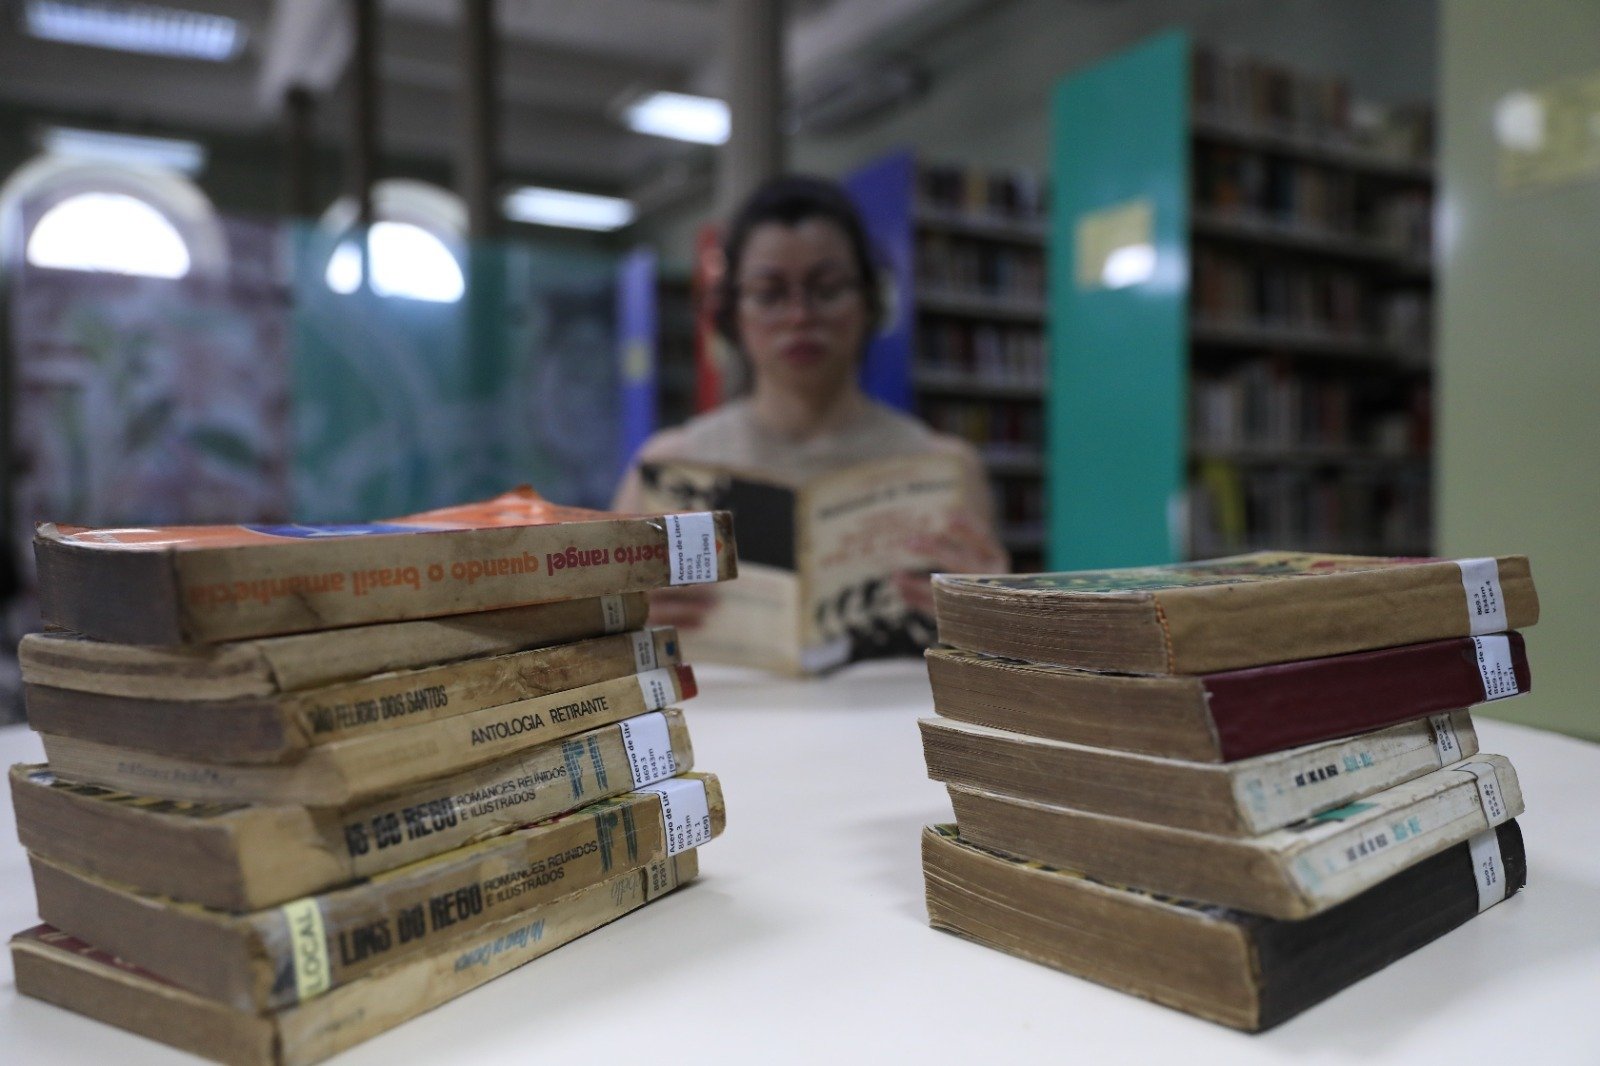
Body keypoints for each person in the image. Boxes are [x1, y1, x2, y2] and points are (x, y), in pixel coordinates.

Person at [612, 174, 1009, 628]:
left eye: (828, 289)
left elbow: (993, 653)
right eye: (770, 293)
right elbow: (595, 641)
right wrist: (621, 611)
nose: (800, 316)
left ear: (869, 300)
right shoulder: (666, 466)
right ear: (732, 312)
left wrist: (997, 616)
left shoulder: (948, 470)